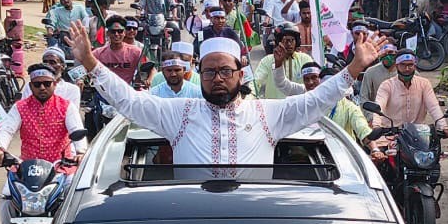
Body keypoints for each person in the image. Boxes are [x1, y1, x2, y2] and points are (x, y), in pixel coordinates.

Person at [63, 20, 385, 165]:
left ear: (240, 74)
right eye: (209, 72)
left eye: (225, 71)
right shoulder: (180, 114)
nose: (217, 79)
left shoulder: (266, 114)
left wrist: (354, 68)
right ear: (197, 75)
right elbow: (130, 102)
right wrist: (91, 62)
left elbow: (314, 101)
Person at [0, 64, 88, 224]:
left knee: (74, 198)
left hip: (60, 167)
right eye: (37, 84)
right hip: (26, 168)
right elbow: (7, 129)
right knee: (6, 199)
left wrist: (80, 152)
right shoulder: (20, 107)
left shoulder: (66, 106)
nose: (42, 88)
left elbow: (77, 130)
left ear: (54, 84)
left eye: (46, 83)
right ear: (31, 86)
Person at [271, 58, 378, 152]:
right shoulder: (303, 101)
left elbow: (362, 129)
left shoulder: (348, 107)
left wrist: (375, 149)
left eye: (314, 78)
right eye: (306, 79)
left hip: (342, 155)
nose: (311, 83)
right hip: (310, 155)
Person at [372, 52, 448, 138]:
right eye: (403, 65)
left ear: (415, 66)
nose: (407, 69)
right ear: (396, 66)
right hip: (391, 134)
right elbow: (379, 106)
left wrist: (443, 127)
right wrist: (376, 126)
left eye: (410, 65)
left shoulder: (424, 84)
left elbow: (433, 107)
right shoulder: (387, 85)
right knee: (379, 146)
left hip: (418, 135)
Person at [253, 23, 311, 99]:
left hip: (299, 105)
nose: (289, 44)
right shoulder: (267, 60)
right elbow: (256, 82)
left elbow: (314, 83)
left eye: (292, 40)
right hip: (275, 105)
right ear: (278, 42)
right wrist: (250, 95)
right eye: (285, 40)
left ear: (297, 42)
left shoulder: (305, 59)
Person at [92, 15, 143, 82]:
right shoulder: (98, 53)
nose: (116, 34)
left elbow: (150, 69)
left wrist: (148, 80)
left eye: (120, 31)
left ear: (124, 33)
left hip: (127, 87)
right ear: (108, 33)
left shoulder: (136, 52)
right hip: (104, 87)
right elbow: (85, 67)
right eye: (113, 31)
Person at [359, 44, 398, 122]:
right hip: (378, 117)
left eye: (390, 53)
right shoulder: (371, 72)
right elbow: (363, 99)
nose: (388, 56)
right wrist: (371, 118)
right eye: (384, 54)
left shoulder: (405, 71)